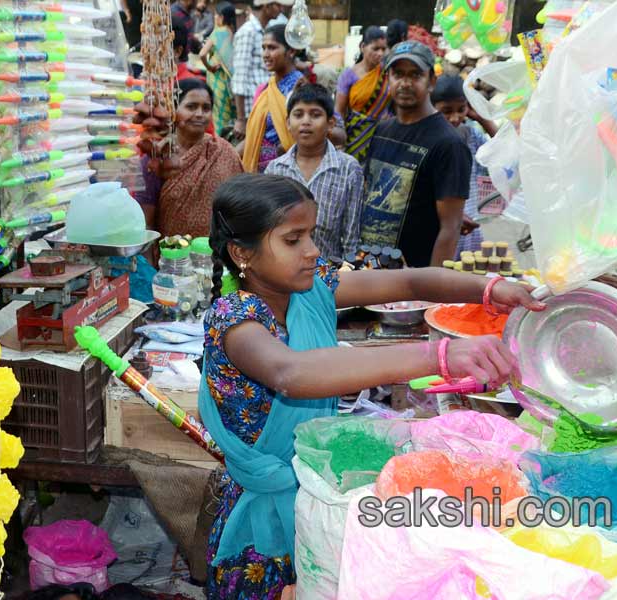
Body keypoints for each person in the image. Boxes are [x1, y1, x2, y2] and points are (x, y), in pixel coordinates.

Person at [201, 173, 543, 599]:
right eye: (293, 240)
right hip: (261, 521)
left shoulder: (313, 289)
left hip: (316, 493)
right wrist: (437, 356)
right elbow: (290, 373)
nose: (311, 251)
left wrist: (491, 290)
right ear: (241, 253)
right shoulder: (235, 319)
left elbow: (411, 282)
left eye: (311, 235)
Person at [359, 41, 472, 267]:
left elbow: (450, 228)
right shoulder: (383, 130)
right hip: (372, 269)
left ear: (431, 81)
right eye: (398, 74)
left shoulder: (448, 144)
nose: (405, 83)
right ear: (387, 78)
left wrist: (431, 290)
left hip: (414, 279)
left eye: (415, 75)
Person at [266, 84, 363, 261]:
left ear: (330, 123)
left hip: (328, 275)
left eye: (315, 115)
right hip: (282, 272)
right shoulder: (275, 169)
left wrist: (348, 272)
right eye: (298, 114)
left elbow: (351, 238)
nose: (306, 121)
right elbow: (268, 230)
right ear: (288, 123)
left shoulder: (348, 169)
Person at [136, 79, 243, 237]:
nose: (199, 114)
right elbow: (146, 222)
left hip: (218, 254)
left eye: (206, 108)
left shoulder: (224, 151)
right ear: (173, 110)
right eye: (191, 107)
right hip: (172, 255)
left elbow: (240, 205)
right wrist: (148, 261)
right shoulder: (158, 156)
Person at [431, 74, 500, 257]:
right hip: (440, 224)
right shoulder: (429, 139)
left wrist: (482, 118)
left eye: (461, 110)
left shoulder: (470, 135)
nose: (455, 118)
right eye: (447, 111)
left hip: (469, 227)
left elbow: (501, 148)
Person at [239, 24, 303, 172]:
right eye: (263, 48)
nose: (265, 54)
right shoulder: (266, 88)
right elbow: (254, 135)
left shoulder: (299, 87)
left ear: (291, 51)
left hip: (286, 172)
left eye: (272, 48)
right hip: (259, 171)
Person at [335, 26, 391, 162]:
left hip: (383, 133)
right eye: (375, 48)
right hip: (355, 135)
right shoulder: (348, 75)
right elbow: (339, 111)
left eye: (383, 49)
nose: (380, 53)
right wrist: (339, 139)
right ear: (363, 47)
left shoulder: (388, 72)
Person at [230, 0, 282, 140]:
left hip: (267, 105)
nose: (281, 8)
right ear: (267, 7)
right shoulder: (248, 32)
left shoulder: (267, 30)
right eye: (278, 5)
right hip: (251, 108)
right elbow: (240, 76)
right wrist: (241, 119)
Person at [200, 2, 238, 136]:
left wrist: (209, 67)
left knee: (219, 114)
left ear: (222, 17)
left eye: (217, 14)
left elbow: (202, 54)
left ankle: (219, 143)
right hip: (230, 82)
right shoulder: (233, 32)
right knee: (229, 114)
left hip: (217, 79)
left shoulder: (218, 32)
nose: (215, 17)